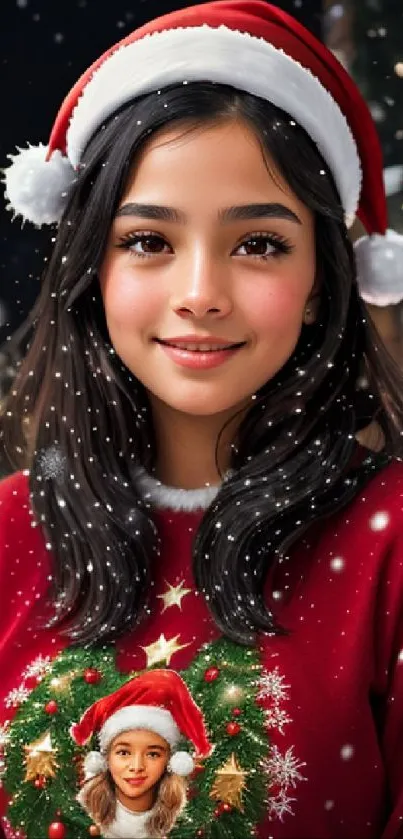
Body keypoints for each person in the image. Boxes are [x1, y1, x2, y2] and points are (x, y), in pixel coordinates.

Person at [1, 1, 403, 837]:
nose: (199, 292)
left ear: (324, 277)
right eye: (148, 240)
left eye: (257, 243)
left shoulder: (389, 542)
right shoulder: (6, 533)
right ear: (91, 266)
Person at [73, 668, 211, 838]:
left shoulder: (188, 819)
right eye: (124, 753)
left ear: (171, 761)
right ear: (105, 758)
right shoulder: (79, 812)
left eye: (153, 754)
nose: (137, 767)